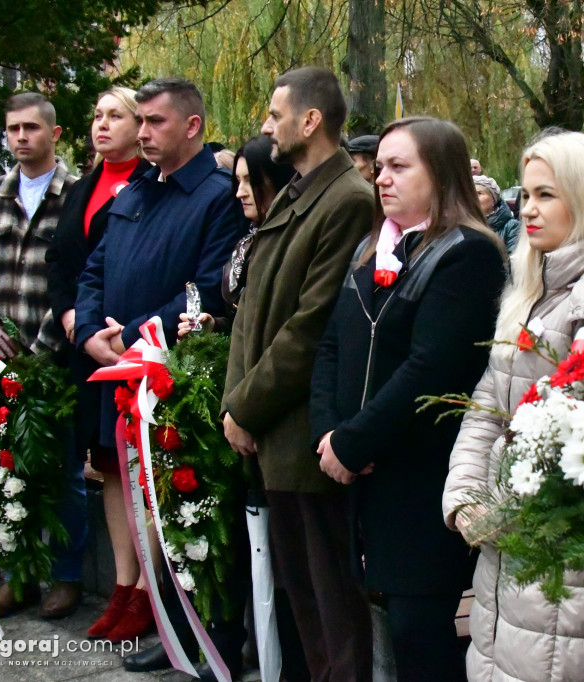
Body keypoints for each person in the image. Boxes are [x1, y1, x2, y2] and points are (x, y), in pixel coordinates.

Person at [443, 131, 584, 682]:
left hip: (570, 566)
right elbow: (488, 401)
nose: (528, 209)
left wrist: (496, 503)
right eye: (525, 195)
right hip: (508, 547)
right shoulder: (536, 281)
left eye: (547, 195)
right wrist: (466, 496)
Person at [311, 116, 505, 682]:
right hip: (363, 469)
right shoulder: (373, 247)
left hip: (421, 474)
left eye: (400, 167)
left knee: (420, 632)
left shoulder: (466, 253)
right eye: (381, 167)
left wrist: (355, 439)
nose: (381, 179)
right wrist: (329, 430)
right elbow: (331, 344)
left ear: (440, 174)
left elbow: (433, 367)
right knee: (389, 627)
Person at [73, 77, 244, 678]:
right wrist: (90, 329)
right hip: (117, 369)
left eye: (155, 122)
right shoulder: (139, 187)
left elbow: (208, 284)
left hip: (174, 374)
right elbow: (95, 265)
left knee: (183, 503)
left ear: (192, 126)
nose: (141, 133)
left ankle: (202, 631)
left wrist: (136, 334)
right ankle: (170, 623)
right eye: (138, 121)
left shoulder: (218, 195)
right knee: (142, 496)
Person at [220, 66, 374, 682]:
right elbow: (252, 308)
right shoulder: (298, 189)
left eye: (275, 114)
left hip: (303, 432)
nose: (265, 126)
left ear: (310, 121)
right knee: (302, 600)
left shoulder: (346, 200)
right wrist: (237, 404)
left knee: (330, 603)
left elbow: (309, 328)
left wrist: (245, 407)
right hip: (272, 430)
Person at [0, 92, 85, 618]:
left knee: (64, 471)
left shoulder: (76, 194)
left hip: (53, 356)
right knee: (2, 466)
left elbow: (78, 277)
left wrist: (45, 347)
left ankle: (67, 575)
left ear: (54, 134)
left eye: (32, 128)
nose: (21, 137)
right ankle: (15, 573)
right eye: (13, 129)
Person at [45, 87, 155, 642]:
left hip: (131, 346)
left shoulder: (148, 184)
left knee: (138, 463)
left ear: (143, 126)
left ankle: (145, 591)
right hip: (85, 345)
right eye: (97, 115)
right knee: (106, 462)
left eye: (116, 115)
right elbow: (65, 259)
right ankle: (121, 582)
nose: (101, 124)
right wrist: (72, 317)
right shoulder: (83, 187)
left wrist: (106, 331)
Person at [180, 135, 295, 338]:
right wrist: (213, 325)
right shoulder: (247, 239)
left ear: (277, 179)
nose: (240, 193)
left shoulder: (292, 239)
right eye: (238, 181)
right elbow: (240, 323)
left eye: (251, 181)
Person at [474, 174, 520, 254]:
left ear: (493, 200)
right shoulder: (464, 225)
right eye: (471, 193)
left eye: (479, 193)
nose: (474, 197)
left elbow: (514, 261)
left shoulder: (512, 227)